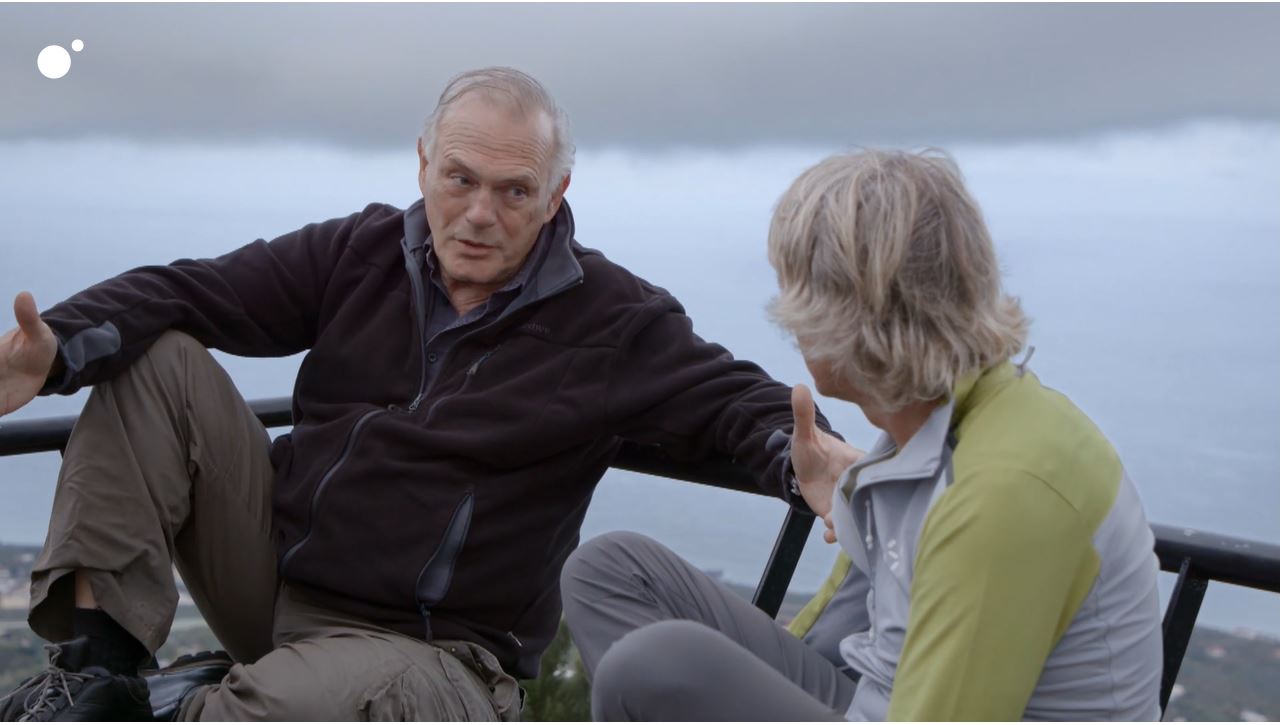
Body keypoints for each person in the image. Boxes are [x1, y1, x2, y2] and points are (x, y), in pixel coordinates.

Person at [0, 67, 855, 721]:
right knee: (159, 362)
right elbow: (193, 290)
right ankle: (92, 669)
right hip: (277, 587)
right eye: (460, 179)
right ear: (422, 165)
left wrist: (801, 459)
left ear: (556, 194)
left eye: (514, 190)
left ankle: (194, 699)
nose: (480, 212)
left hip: (437, 654)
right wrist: (55, 349)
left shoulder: (614, 321)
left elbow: (729, 398)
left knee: (263, 711)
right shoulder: (360, 251)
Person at [560, 149, 1164, 721]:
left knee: (655, 667)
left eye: (794, 289)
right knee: (610, 569)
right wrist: (853, 495)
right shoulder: (942, 423)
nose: (785, 314)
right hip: (871, 697)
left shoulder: (1005, 490)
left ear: (842, 317)